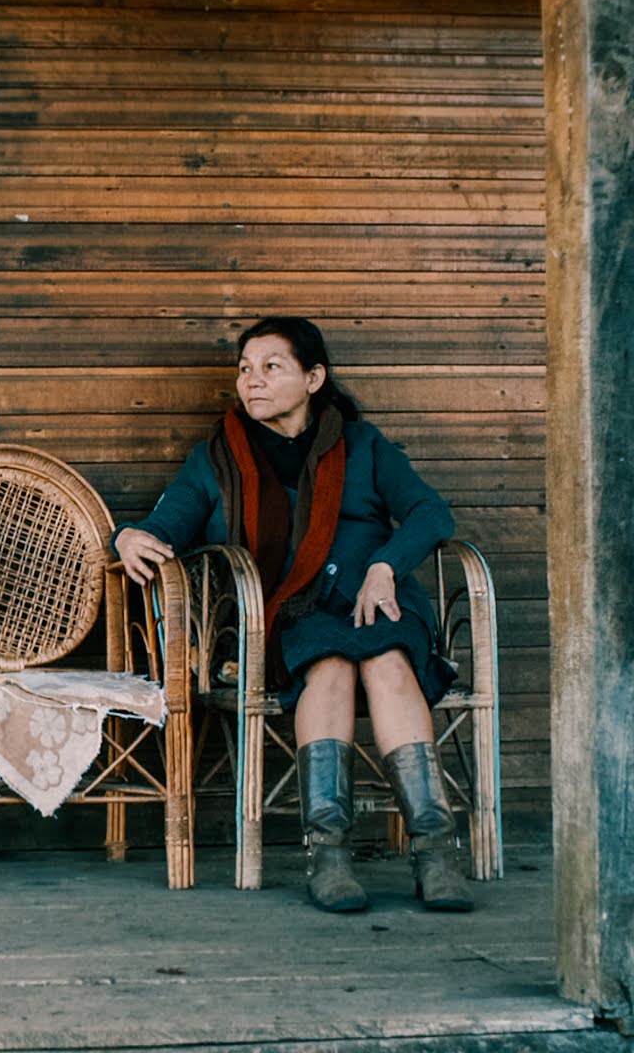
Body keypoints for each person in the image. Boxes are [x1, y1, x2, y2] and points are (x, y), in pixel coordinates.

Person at [112, 317, 472, 914]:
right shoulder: (217, 459)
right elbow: (163, 529)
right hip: (289, 614)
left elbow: (431, 514)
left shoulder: (364, 447)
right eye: (245, 370)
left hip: (376, 602)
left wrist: (386, 566)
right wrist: (129, 537)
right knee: (328, 665)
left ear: (313, 377)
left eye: (271, 367)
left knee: (386, 660)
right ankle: (329, 855)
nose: (252, 382)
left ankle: (436, 852)